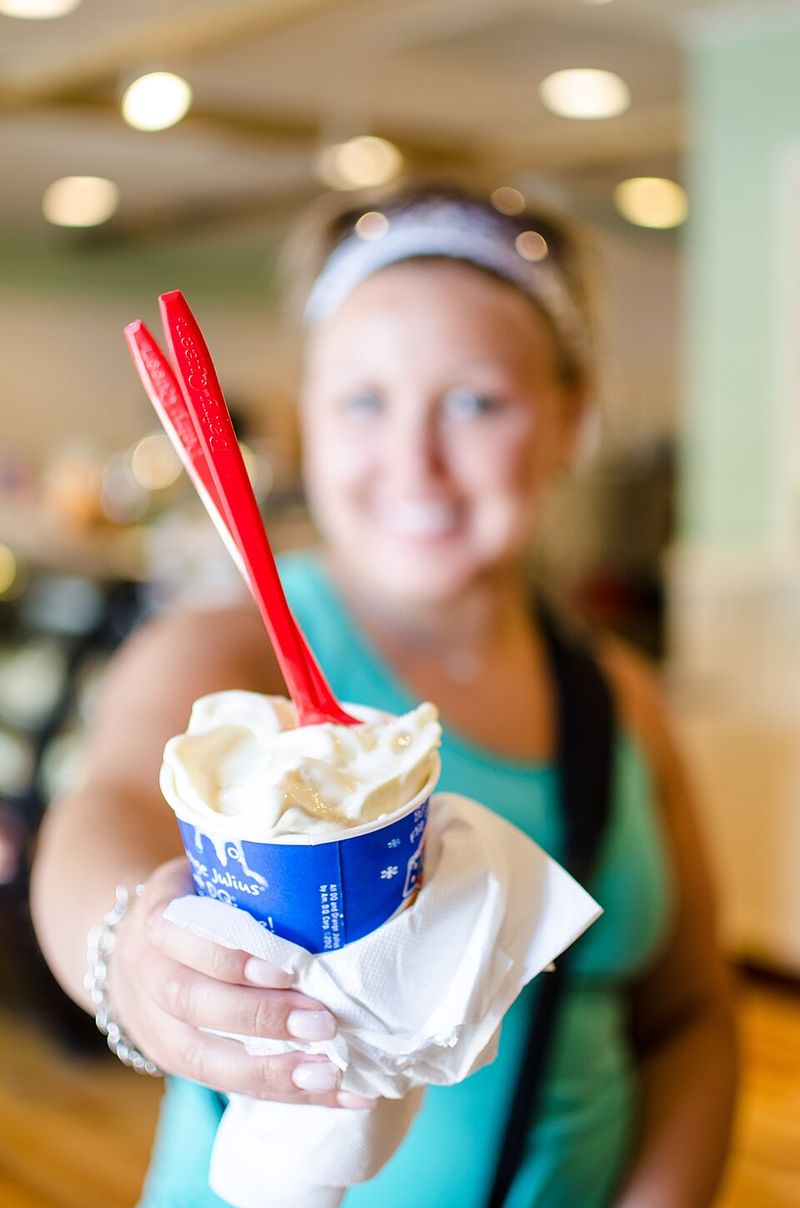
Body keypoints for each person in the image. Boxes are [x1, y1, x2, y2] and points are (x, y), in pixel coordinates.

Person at [31, 182, 737, 1207]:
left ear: (569, 418)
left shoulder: (617, 698)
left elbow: (686, 1015)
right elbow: (103, 817)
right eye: (363, 399)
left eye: (475, 401)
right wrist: (127, 954)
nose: (414, 458)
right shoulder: (219, 659)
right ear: (309, 417)